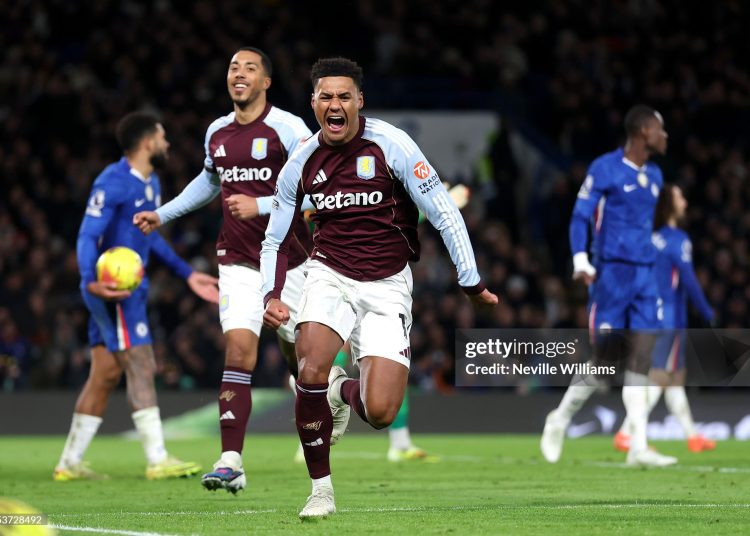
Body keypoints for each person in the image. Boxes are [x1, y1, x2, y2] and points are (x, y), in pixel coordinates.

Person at [260, 57, 498, 518]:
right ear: (313, 103)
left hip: (388, 284)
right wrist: (271, 295)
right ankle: (320, 490)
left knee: (381, 412)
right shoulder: (302, 161)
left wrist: (471, 281)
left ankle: (340, 392)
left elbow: (446, 212)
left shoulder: (392, 145)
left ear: (359, 101)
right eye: (325, 96)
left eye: (343, 96)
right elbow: (274, 238)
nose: (335, 104)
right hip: (328, 274)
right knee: (308, 368)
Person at [133, 47, 313, 494]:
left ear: (265, 82)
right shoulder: (217, 132)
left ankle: (309, 392)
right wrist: (163, 213)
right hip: (236, 261)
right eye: (233, 66)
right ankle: (231, 460)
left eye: (250, 68)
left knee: (303, 362)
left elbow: (319, 191)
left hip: (291, 261)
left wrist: (262, 204)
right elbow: (209, 181)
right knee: (238, 354)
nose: (239, 73)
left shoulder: (289, 129)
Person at [54, 112, 220, 481]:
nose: (168, 144)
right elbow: (86, 235)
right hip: (115, 291)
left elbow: (149, 238)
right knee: (142, 362)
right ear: (147, 142)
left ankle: (69, 463)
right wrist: (89, 280)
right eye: (163, 137)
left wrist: (188, 273)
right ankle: (157, 457)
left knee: (106, 373)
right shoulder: (112, 182)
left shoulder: (151, 182)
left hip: (129, 289)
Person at [540, 105, 678, 467]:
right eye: (660, 130)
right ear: (643, 133)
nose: (665, 136)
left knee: (643, 355)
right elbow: (581, 215)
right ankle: (559, 418)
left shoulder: (657, 176)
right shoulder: (604, 168)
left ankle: (638, 446)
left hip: (644, 275)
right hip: (611, 275)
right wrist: (580, 259)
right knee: (604, 361)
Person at [613, 184, 716, 453]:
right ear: (670, 204)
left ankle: (692, 436)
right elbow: (689, 280)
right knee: (660, 376)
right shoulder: (677, 239)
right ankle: (626, 432)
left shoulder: (650, 239)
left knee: (673, 377)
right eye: (681, 196)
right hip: (670, 317)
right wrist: (706, 311)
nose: (685, 201)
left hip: (648, 314)